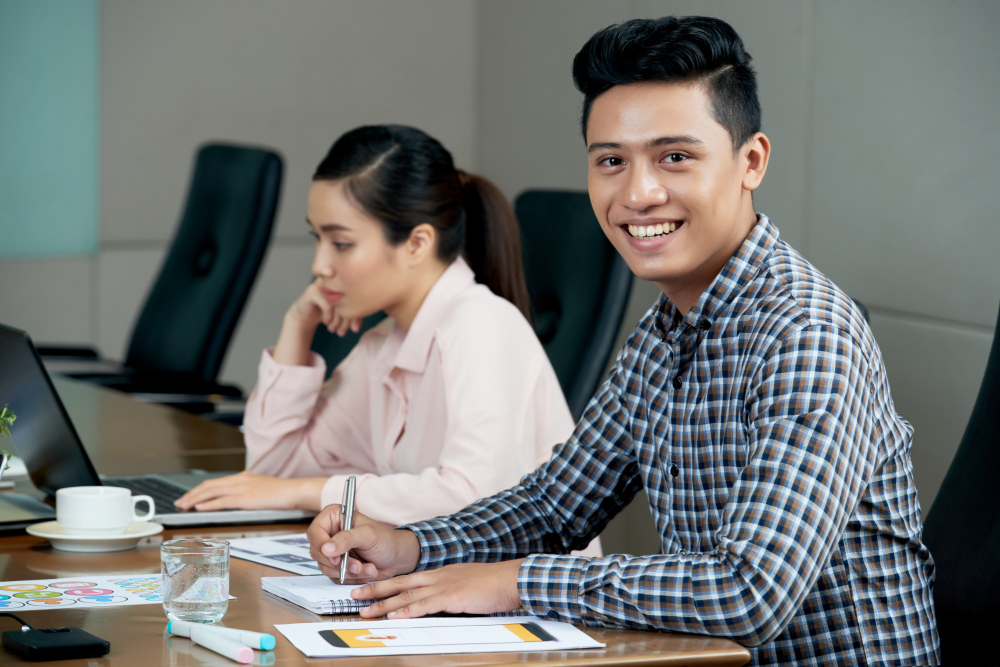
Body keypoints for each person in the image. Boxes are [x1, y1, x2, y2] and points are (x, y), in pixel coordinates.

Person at [304, 16, 938, 667]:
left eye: (675, 157)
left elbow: (748, 592)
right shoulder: (662, 332)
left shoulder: (806, 333)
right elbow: (554, 506)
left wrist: (513, 581)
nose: (638, 193)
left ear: (751, 162)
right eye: (611, 161)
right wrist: (411, 543)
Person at [174, 125, 589, 537]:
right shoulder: (385, 343)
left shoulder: (482, 324)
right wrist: (296, 329)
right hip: (439, 585)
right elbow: (272, 476)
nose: (320, 265)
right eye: (317, 238)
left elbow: (474, 498)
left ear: (416, 243)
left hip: (531, 598)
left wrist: (313, 492)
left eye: (341, 243)